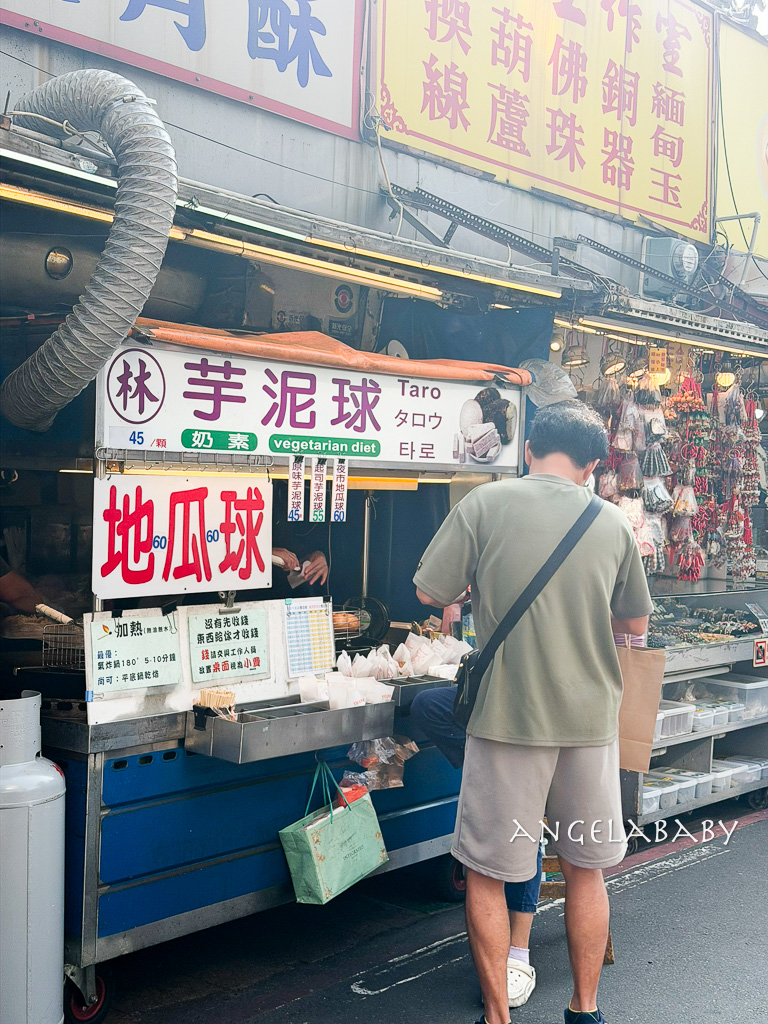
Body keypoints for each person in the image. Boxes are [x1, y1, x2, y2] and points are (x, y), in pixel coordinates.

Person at [413, 401, 652, 1024]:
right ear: (593, 464)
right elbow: (635, 623)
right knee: (585, 871)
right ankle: (585, 1009)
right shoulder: (611, 524)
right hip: (590, 725)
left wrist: (473, 588)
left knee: (489, 873)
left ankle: (498, 1017)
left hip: (506, 720)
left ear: (527, 451)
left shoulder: (484, 506)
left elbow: (430, 591)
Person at [410, 686, 540, 1008]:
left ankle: (518, 953)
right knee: (427, 704)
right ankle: (494, 769)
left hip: (544, 706)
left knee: (522, 817)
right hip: (500, 696)